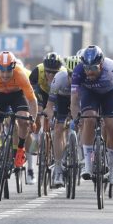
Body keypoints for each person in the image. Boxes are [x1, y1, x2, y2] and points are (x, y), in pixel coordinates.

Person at [0, 51, 38, 191]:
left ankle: (20, 149)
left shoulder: (20, 74)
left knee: (23, 120)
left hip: (16, 96)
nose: (5, 75)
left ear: (13, 68)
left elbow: (32, 100)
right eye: (2, 72)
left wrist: (33, 118)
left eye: (9, 71)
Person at [70, 45, 113, 185]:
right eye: (86, 68)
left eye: (93, 68)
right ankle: (87, 164)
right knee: (88, 119)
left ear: (101, 64)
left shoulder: (112, 68)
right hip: (90, 94)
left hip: (109, 95)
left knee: (111, 126)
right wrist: (76, 117)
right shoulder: (78, 71)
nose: (89, 72)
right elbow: (74, 99)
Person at [28, 52, 66, 184]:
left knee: (59, 124)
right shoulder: (38, 70)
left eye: (53, 73)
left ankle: (60, 148)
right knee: (38, 111)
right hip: (42, 92)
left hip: (58, 95)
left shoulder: (63, 74)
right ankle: (38, 136)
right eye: (48, 72)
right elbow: (29, 90)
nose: (50, 75)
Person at [44, 56, 79, 188]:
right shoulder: (59, 78)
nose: (73, 79)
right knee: (59, 129)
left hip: (79, 100)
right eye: (71, 76)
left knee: (85, 123)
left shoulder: (86, 80)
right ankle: (58, 167)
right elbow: (50, 104)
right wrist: (51, 117)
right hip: (62, 100)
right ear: (67, 73)